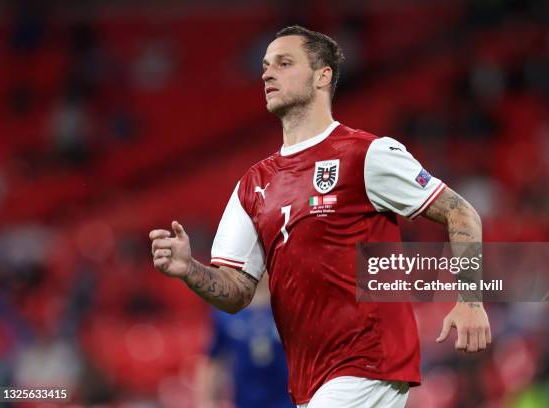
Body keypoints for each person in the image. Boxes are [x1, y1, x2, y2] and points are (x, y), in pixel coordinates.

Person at [149, 25, 490, 408]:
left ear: (322, 75)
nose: (267, 73)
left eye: (284, 63)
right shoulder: (253, 185)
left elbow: (461, 212)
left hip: (368, 362)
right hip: (311, 381)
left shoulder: (366, 154)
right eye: (265, 65)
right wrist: (188, 269)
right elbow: (236, 292)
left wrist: (471, 301)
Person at [197, 276, 293, 408]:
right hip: (246, 401)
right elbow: (215, 359)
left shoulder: (290, 306)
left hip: (288, 401)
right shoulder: (226, 311)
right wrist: (208, 401)